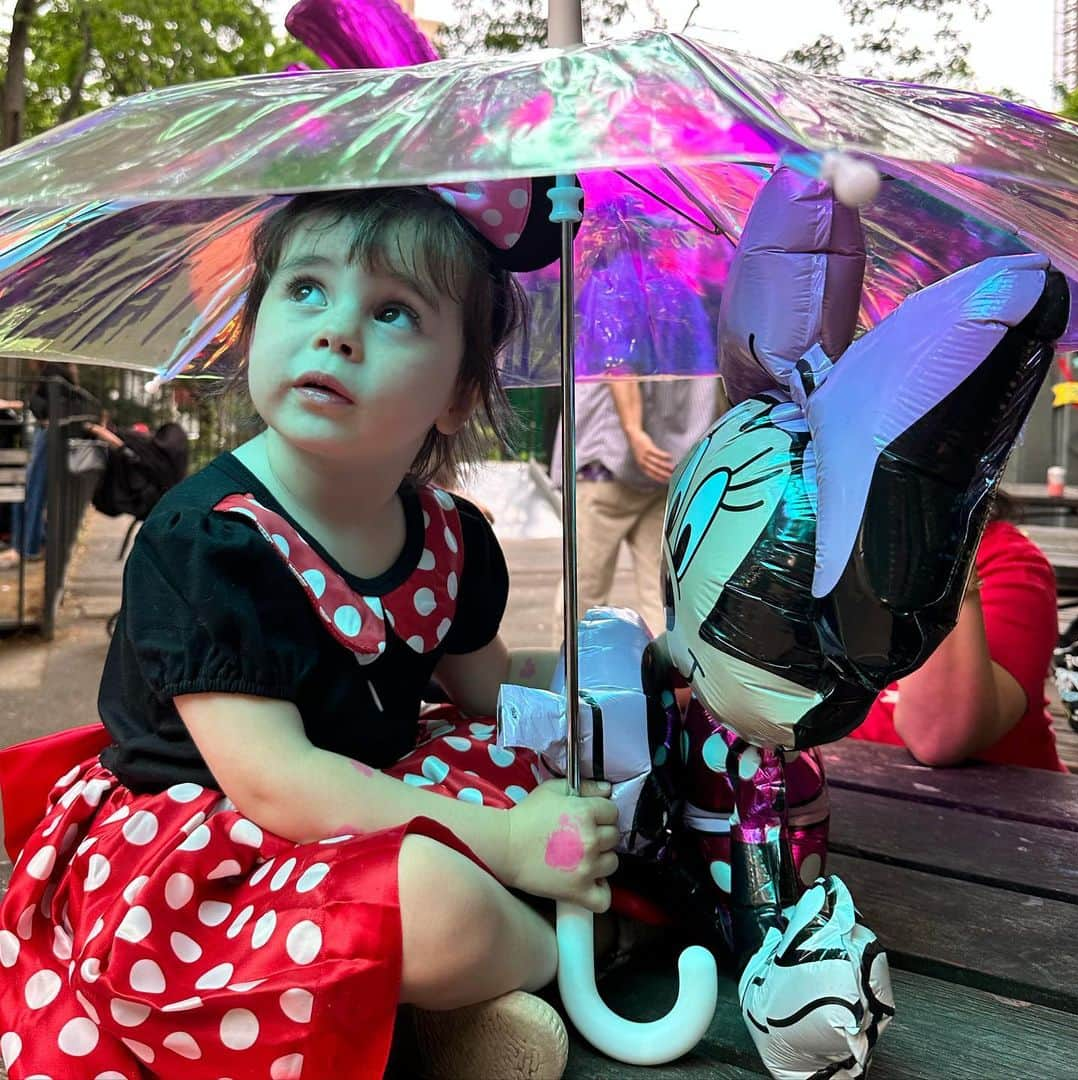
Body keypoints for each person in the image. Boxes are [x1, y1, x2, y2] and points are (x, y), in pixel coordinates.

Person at [0, 183, 620, 1079]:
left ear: (458, 393)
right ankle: (546, 960)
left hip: (370, 799)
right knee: (438, 900)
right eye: (306, 291)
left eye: (394, 311)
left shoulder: (450, 535)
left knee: (558, 772)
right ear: (251, 330)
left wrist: (620, 674)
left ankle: (443, 1001)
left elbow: (494, 697)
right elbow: (283, 786)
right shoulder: (206, 541)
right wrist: (517, 846)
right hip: (212, 859)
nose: (336, 331)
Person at [849, 497, 1068, 772]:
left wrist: (934, 542)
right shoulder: (810, 544)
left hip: (994, 807)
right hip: (847, 793)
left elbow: (938, 738)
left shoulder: (1011, 561)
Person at [552, 377, 723, 640]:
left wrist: (633, 430)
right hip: (671, 464)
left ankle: (571, 675)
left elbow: (618, 357)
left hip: (607, 463)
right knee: (664, 598)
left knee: (583, 593)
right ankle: (665, 676)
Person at [0, 361, 81, 569]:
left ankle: (29, 547)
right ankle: (26, 545)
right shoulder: (60, 373)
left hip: (47, 434)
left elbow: (50, 406)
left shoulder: (53, 372)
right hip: (48, 434)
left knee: (33, 493)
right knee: (31, 493)